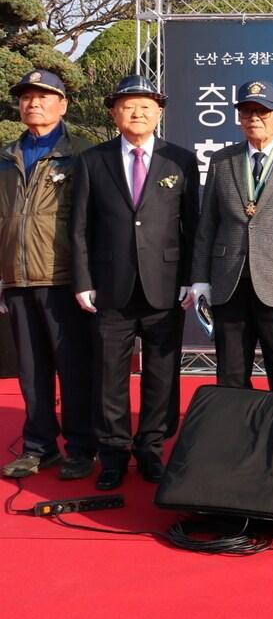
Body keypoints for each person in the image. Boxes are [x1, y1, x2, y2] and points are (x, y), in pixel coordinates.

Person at [70, 75, 199, 490]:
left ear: (159, 112)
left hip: (165, 285)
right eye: (128, 106)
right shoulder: (93, 160)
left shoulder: (181, 160)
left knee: (162, 375)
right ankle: (112, 455)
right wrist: (83, 281)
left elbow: (192, 226)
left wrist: (191, 279)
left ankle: (151, 449)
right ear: (114, 113)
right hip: (110, 287)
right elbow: (79, 228)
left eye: (146, 106)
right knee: (109, 376)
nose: (137, 113)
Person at [189, 80, 273, 393]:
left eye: (263, 111)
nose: (254, 118)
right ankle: (237, 427)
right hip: (228, 282)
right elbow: (207, 224)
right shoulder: (222, 161)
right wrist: (200, 279)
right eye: (247, 111)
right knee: (231, 374)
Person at [0, 69, 95, 481]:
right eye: (26, 97)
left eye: (43, 96)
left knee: (73, 368)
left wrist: (89, 278)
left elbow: (93, 222)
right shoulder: (5, 157)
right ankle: (39, 447)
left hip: (63, 280)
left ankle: (81, 448)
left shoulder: (83, 154)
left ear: (63, 105)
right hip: (17, 279)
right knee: (31, 370)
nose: (33, 103)